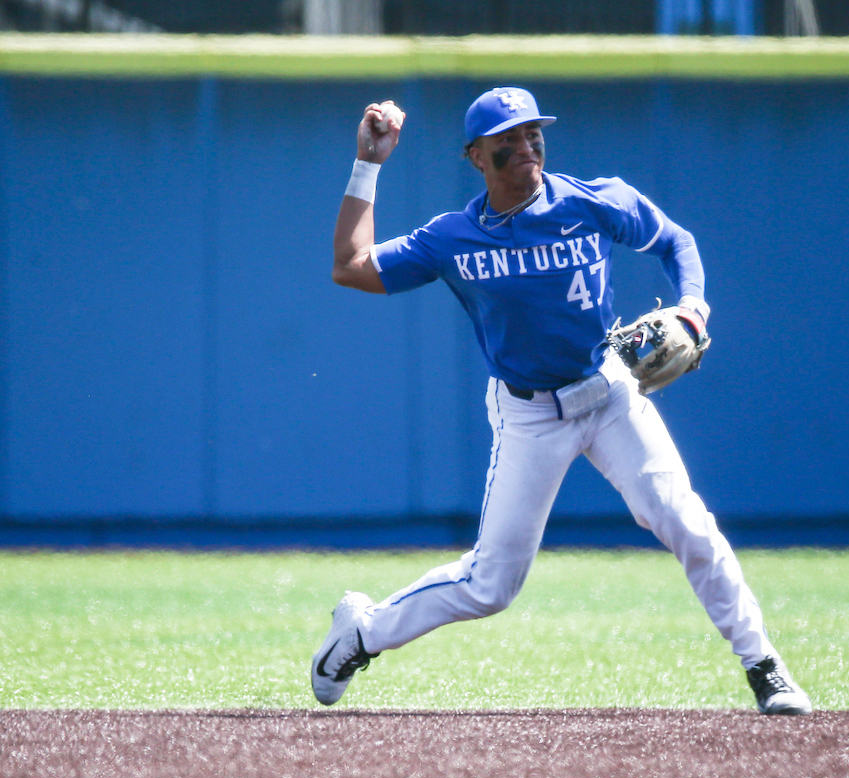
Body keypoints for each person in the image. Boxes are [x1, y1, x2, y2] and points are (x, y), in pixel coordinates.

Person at [311, 87, 811, 716]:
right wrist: (370, 164)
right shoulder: (454, 238)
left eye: (533, 135)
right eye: (508, 141)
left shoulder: (593, 200)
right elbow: (350, 265)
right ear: (476, 157)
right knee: (491, 586)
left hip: (610, 394)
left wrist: (692, 307)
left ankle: (765, 668)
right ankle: (363, 632)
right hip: (528, 414)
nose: (526, 147)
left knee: (686, 521)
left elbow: (676, 243)